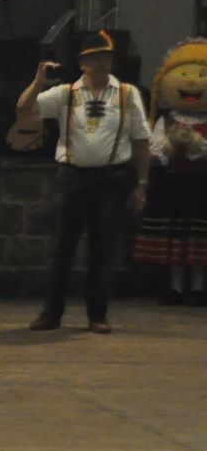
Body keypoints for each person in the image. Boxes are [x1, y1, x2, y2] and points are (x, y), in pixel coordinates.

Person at [15, 31, 150, 333]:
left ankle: (97, 315)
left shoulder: (127, 94)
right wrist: (38, 83)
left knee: (102, 248)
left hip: (112, 178)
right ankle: (51, 313)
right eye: (95, 57)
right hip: (73, 177)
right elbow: (24, 111)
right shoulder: (66, 94)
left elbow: (142, 141)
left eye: (107, 57)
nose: (102, 62)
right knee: (62, 247)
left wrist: (141, 183)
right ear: (82, 63)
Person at [132, 37, 207, 304]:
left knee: (198, 240)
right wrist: (170, 147)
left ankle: (198, 287)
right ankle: (175, 287)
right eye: (184, 74)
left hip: (202, 187)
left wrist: (199, 145)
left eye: (200, 75)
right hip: (174, 186)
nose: (191, 82)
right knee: (176, 239)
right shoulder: (167, 120)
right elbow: (156, 152)